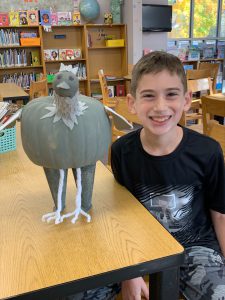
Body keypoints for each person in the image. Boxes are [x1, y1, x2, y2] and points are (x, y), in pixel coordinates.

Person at [111, 51, 225, 300]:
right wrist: (129, 272)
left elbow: (220, 214)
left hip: (195, 248)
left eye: (171, 94)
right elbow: (121, 216)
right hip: (140, 247)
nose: (160, 107)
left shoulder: (208, 151)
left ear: (186, 100)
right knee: (79, 290)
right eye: (148, 96)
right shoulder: (121, 151)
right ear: (132, 103)